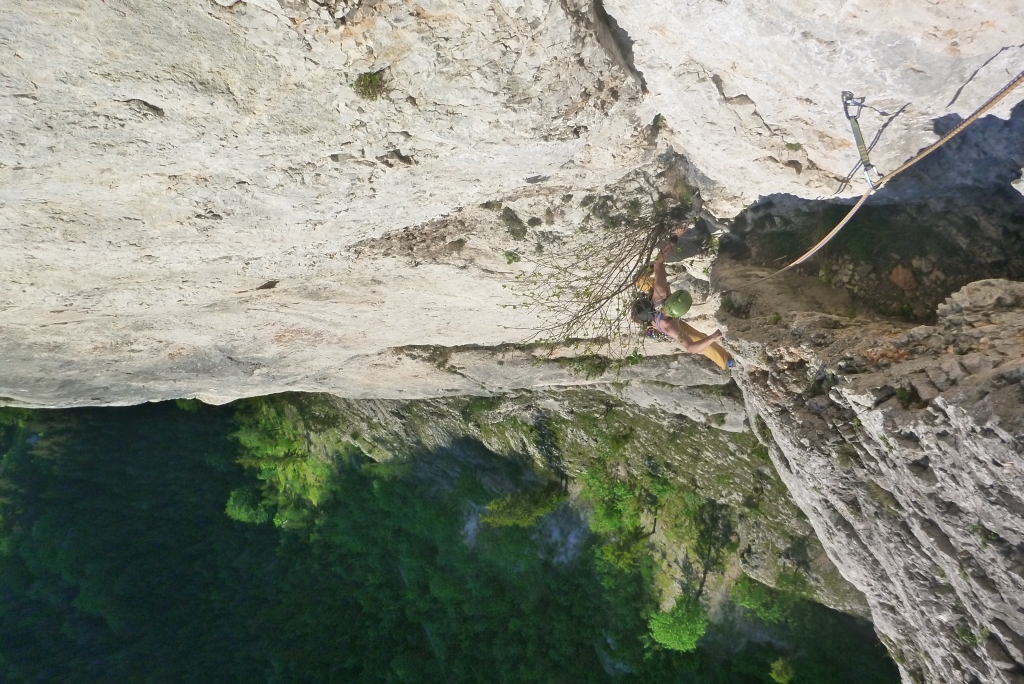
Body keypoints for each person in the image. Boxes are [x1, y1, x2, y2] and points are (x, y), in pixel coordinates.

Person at [631, 223, 725, 355]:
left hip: (666, 323)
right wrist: (675, 237)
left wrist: (715, 336)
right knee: (697, 338)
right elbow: (658, 263)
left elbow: (691, 348)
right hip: (669, 322)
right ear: (648, 302)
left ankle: (726, 360)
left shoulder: (665, 322)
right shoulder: (660, 294)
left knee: (698, 339)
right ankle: (725, 359)